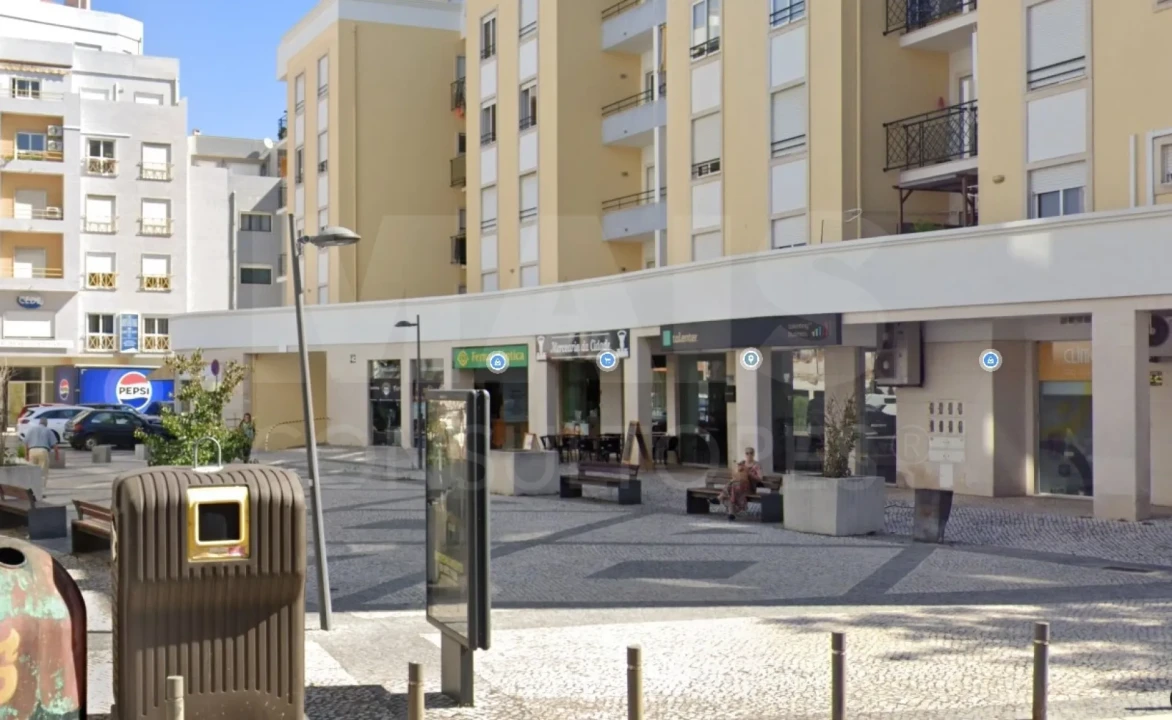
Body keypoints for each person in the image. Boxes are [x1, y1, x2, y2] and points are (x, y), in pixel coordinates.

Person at [720, 447, 763, 521]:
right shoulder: (742, 463)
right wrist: (738, 470)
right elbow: (734, 475)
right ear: (745, 454)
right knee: (734, 486)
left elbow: (760, 478)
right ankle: (731, 513)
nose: (749, 455)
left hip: (749, 488)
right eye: (747, 453)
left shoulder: (757, 465)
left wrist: (749, 473)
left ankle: (721, 496)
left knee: (733, 487)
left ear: (754, 454)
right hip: (738, 486)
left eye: (751, 453)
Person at [24, 418, 56, 493]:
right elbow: (55, 445)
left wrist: (26, 455)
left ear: (39, 422)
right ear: (46, 423)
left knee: (32, 472)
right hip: (43, 451)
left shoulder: (31, 429)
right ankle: (41, 492)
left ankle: (32, 490)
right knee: (43, 473)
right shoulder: (48, 430)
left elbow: (26, 443)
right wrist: (56, 455)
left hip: (32, 451)